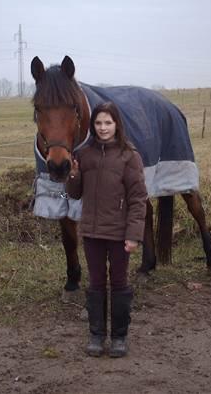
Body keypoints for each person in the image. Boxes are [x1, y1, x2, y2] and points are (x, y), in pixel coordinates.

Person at [66, 101, 148, 358]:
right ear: (93, 126)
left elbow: (138, 198)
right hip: (92, 233)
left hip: (119, 233)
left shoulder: (129, 156)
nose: (103, 128)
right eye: (99, 123)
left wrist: (134, 235)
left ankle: (119, 337)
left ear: (117, 124)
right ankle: (96, 335)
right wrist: (73, 175)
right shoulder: (85, 155)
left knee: (120, 283)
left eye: (108, 123)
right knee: (96, 283)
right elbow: (75, 194)